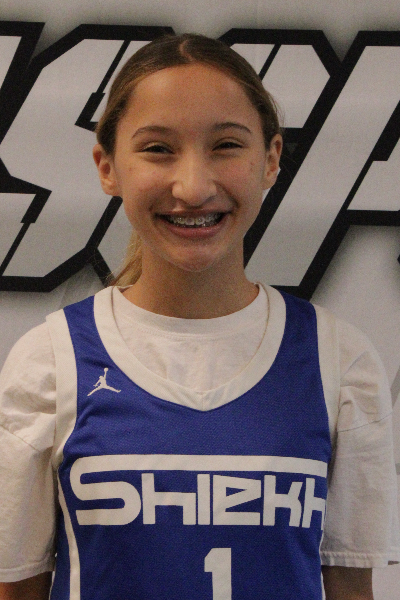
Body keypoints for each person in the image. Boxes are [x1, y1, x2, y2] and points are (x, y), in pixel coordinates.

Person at [0, 33, 398, 600]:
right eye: (158, 149)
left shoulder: (340, 361)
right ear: (107, 166)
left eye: (226, 145)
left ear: (271, 159)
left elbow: (352, 590)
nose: (193, 187)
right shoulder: (50, 362)